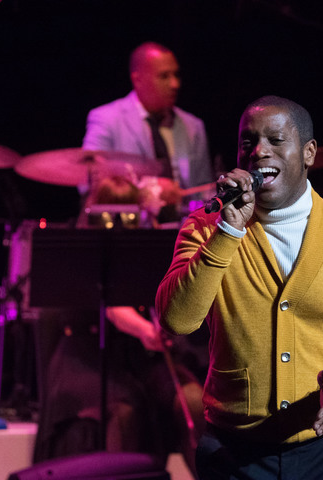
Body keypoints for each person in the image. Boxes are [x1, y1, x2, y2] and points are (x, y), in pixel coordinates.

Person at [155, 95, 323, 479]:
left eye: (276, 140)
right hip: (234, 451)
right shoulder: (205, 228)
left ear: (309, 153)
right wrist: (228, 232)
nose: (259, 151)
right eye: (248, 142)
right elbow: (177, 320)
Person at [32, 175, 206, 478]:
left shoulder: (144, 243)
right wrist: (146, 330)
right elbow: (115, 309)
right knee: (125, 413)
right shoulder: (83, 250)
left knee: (193, 400)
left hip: (135, 360)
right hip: (85, 358)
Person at [82, 41, 214, 197]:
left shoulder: (193, 126)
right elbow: (86, 182)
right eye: (164, 76)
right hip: (130, 220)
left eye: (176, 75)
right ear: (138, 80)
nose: (175, 84)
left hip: (184, 219)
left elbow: (204, 190)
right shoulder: (107, 119)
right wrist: (149, 191)